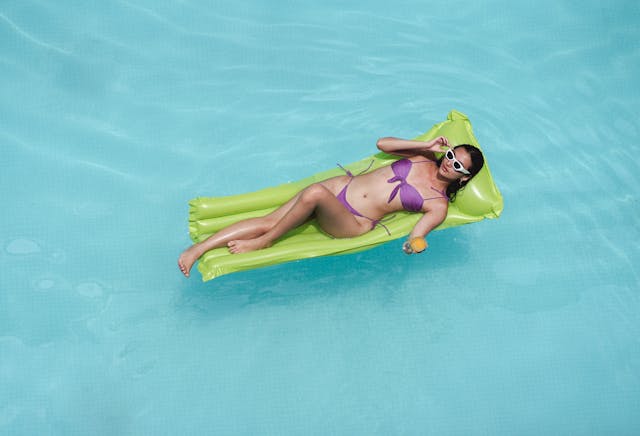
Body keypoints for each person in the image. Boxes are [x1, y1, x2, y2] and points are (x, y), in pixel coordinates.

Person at [178, 136, 484, 277]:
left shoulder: (438, 204)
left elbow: (417, 235)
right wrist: (426, 146)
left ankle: (265, 241)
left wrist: (414, 246)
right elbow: (382, 145)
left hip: (352, 220)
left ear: (465, 176)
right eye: (451, 156)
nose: (449, 164)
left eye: (458, 166)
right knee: (268, 217)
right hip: (343, 186)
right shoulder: (422, 157)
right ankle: (198, 249)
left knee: (312, 193)